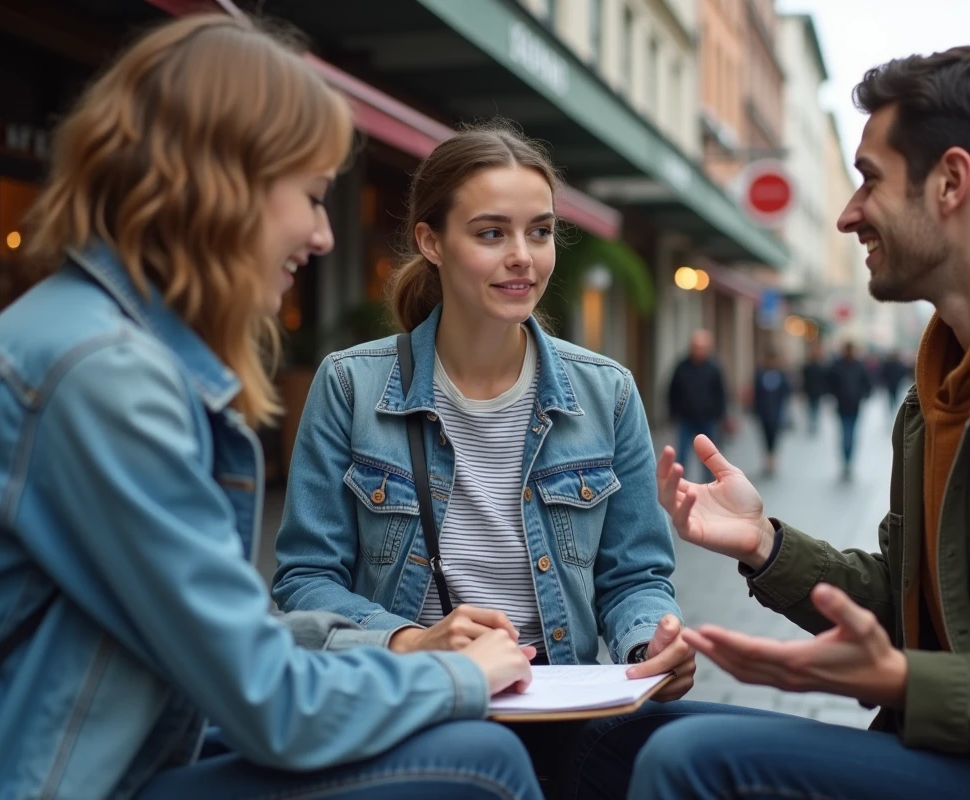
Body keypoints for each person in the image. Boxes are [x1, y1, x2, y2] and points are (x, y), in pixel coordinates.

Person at [0, 15, 544, 800]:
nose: (325, 235)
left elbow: (221, 637)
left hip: (105, 755)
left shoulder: (106, 346)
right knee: (480, 763)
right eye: (311, 195)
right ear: (222, 186)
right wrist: (455, 675)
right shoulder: (107, 378)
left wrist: (402, 648)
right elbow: (270, 702)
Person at [636, 44, 970, 800]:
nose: (848, 215)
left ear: (951, 182)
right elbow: (905, 597)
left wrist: (905, 679)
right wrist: (767, 544)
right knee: (643, 736)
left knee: (694, 762)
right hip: (953, 750)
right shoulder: (941, 385)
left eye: (869, 179)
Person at [273, 121, 748, 799]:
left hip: (566, 708)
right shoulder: (350, 385)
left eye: (541, 231)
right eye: (492, 233)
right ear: (433, 242)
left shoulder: (606, 392)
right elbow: (304, 583)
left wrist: (649, 645)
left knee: (712, 756)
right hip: (417, 704)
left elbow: (635, 574)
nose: (523, 256)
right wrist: (409, 640)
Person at [667, 329, 727, 481]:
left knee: (709, 456)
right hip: (686, 419)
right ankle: (680, 484)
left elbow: (721, 393)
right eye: (696, 347)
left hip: (707, 419)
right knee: (682, 455)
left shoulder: (714, 368)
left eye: (702, 348)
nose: (698, 351)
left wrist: (720, 415)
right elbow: (672, 391)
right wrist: (673, 413)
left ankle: (709, 485)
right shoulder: (681, 367)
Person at [827, 340, 873, 480]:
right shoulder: (837, 365)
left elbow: (867, 384)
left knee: (851, 435)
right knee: (845, 435)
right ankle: (845, 461)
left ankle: (849, 461)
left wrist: (862, 395)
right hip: (842, 406)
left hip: (855, 406)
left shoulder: (859, 366)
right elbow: (830, 383)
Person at [749, 350, 790, 477]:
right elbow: (756, 393)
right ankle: (767, 458)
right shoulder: (760, 374)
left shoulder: (781, 375)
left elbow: (786, 392)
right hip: (763, 412)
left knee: (775, 435)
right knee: (765, 435)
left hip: (777, 412)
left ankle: (772, 459)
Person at [799, 342, 827, 434]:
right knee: (812, 408)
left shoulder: (819, 367)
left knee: (814, 408)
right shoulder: (811, 367)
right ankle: (813, 424)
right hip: (812, 391)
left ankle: (813, 424)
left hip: (815, 391)